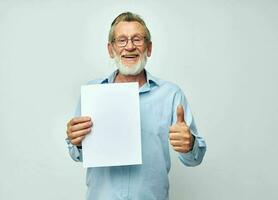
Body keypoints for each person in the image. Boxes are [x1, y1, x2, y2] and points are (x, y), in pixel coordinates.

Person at [66, 12, 206, 200]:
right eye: (122, 40)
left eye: (137, 39)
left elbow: (194, 158)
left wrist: (189, 145)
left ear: (148, 48)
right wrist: (77, 142)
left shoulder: (171, 94)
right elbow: (77, 154)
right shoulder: (92, 92)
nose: (130, 46)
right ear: (111, 49)